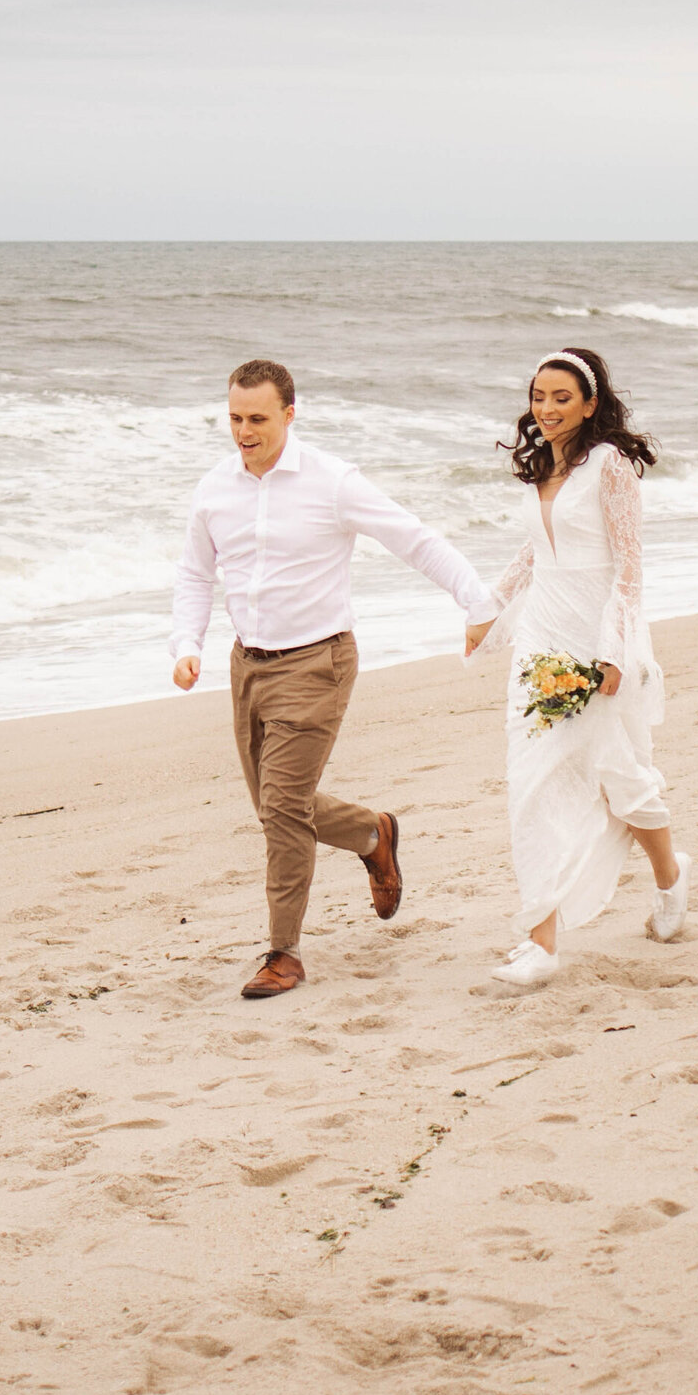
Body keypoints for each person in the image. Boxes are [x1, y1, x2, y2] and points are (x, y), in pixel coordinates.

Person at [172, 359, 500, 999]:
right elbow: (194, 574)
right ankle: (373, 834)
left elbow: (413, 538)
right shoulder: (213, 489)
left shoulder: (332, 481)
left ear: (290, 415)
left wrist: (476, 600)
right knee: (277, 809)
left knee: (283, 812)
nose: (244, 431)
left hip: (318, 662)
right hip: (248, 667)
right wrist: (187, 645)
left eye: (258, 418)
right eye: (235, 418)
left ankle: (283, 954)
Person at [465, 348, 689, 987]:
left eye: (562, 398)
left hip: (596, 644)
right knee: (529, 781)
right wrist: (490, 608)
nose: (547, 409)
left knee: (620, 776)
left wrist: (614, 650)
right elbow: (536, 552)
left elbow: (630, 566)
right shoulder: (546, 463)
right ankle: (541, 939)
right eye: (539, 396)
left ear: (590, 404)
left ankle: (671, 879)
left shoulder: (611, 466)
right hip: (540, 641)